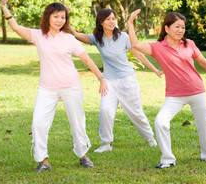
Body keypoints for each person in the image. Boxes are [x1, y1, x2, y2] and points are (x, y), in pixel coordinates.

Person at [0, 0, 108, 173]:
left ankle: (82, 155)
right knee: (38, 124)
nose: (59, 20)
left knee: (77, 123)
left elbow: (87, 60)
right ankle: (43, 160)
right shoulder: (38, 35)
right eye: (56, 16)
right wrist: (4, 8)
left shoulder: (69, 38)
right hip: (47, 88)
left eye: (62, 17)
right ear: (48, 17)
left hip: (71, 86)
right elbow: (17, 28)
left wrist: (101, 79)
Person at [127, 10, 206, 169]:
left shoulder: (189, 43)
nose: (180, 30)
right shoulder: (157, 47)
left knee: (202, 124)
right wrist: (130, 23)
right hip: (175, 95)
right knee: (160, 122)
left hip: (197, 90)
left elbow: (204, 62)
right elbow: (135, 44)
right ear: (167, 28)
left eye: (183, 27)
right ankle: (168, 159)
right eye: (177, 26)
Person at [69, 8, 161, 153]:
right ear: (101, 22)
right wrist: (66, 16)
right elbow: (75, 34)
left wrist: (154, 70)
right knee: (105, 110)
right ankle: (106, 143)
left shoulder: (123, 36)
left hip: (127, 81)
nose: (112, 21)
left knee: (135, 112)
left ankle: (150, 138)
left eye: (113, 18)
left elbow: (138, 54)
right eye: (108, 19)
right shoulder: (97, 38)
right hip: (109, 82)